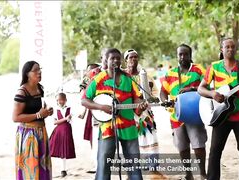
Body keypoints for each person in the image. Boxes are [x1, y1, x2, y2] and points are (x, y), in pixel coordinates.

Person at [81, 48, 147, 180]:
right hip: (107, 128)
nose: (116, 60)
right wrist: (101, 107)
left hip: (129, 127)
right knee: (104, 165)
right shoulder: (98, 79)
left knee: (133, 163)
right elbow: (84, 100)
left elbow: (137, 99)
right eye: (112, 58)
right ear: (106, 60)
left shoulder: (128, 78)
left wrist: (141, 105)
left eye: (118, 58)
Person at [198, 38, 239, 180]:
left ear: (236, 49)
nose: (230, 49)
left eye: (232, 47)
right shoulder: (214, 67)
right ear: (221, 49)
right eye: (227, 47)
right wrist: (213, 94)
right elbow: (200, 88)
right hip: (221, 115)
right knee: (215, 152)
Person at [160, 44, 207, 180]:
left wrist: (191, 89)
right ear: (177, 56)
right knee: (182, 147)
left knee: (198, 144)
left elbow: (207, 86)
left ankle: (202, 172)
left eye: (185, 54)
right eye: (180, 54)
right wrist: (165, 101)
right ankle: (188, 174)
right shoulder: (170, 73)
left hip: (194, 113)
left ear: (190, 55)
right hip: (177, 115)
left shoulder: (198, 70)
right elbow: (163, 92)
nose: (182, 57)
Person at [123, 49, 165, 178]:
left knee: (150, 138)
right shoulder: (122, 76)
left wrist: (148, 99)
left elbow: (154, 93)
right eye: (130, 57)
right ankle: (131, 171)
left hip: (145, 115)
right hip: (128, 114)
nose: (133, 60)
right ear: (125, 60)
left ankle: (153, 168)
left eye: (136, 57)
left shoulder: (145, 75)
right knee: (130, 142)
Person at [12, 61, 53, 180]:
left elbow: (39, 111)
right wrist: (38, 115)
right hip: (28, 136)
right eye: (35, 70)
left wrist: (46, 112)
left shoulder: (40, 88)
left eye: (40, 69)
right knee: (30, 172)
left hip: (41, 133)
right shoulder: (22, 92)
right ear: (27, 74)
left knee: (42, 171)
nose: (39, 72)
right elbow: (15, 117)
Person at [49, 92, 76, 177]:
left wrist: (68, 119)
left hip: (67, 131)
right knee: (54, 148)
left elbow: (71, 120)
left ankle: (63, 169)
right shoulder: (55, 110)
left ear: (65, 100)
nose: (59, 102)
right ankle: (59, 169)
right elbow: (55, 122)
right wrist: (65, 118)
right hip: (59, 131)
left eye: (61, 100)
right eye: (57, 100)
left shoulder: (70, 109)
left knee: (64, 150)